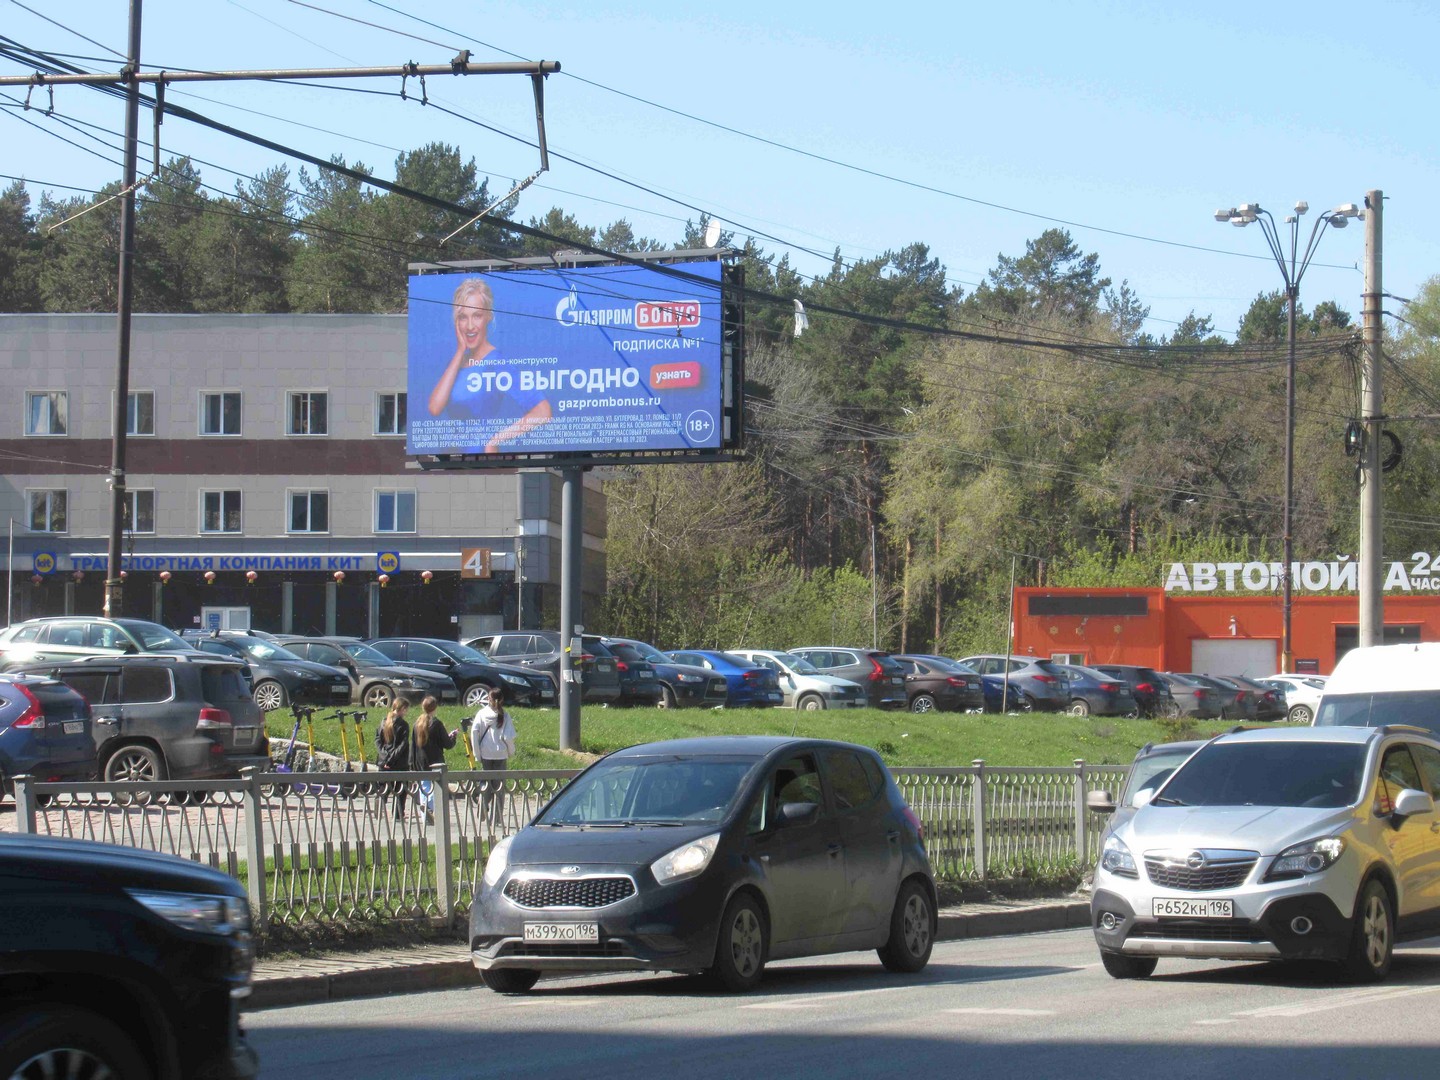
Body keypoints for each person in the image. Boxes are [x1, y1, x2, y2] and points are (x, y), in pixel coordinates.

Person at [426, 276, 553, 451]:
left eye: (477, 315)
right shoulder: (456, 363)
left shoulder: (496, 362)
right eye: (463, 317)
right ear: (457, 322)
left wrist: (495, 440)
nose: (470, 326)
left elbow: (543, 411)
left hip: (483, 461)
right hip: (452, 458)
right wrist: (459, 351)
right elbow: (434, 408)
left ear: (488, 317)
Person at [471, 686, 517, 828]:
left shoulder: (481, 714)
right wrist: (511, 752)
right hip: (500, 754)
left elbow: (474, 733)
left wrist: (477, 754)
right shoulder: (505, 715)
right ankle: (497, 818)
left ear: (488, 699)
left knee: (486, 783)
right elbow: (508, 737)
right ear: (502, 699)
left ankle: (483, 807)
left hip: (486, 753)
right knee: (500, 787)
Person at [413, 695, 457, 820]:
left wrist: (412, 762)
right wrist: (453, 737)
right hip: (435, 760)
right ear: (434, 708)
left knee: (424, 786)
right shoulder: (436, 724)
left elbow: (413, 744)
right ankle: (432, 809)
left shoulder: (417, 723)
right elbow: (447, 744)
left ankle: (424, 811)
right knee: (436, 786)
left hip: (420, 760)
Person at [375, 698, 411, 821]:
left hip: (383, 761)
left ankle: (379, 806)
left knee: (384, 786)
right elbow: (403, 745)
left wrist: (385, 757)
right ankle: (398, 814)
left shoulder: (383, 722)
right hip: (400, 762)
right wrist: (392, 759)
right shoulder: (403, 725)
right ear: (402, 709)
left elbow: (378, 741)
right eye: (406, 709)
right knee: (401, 789)